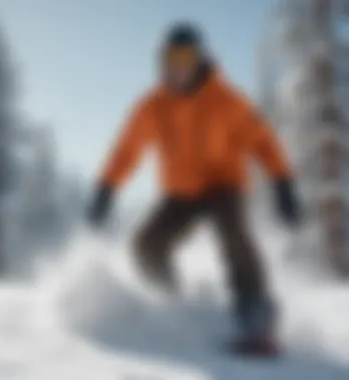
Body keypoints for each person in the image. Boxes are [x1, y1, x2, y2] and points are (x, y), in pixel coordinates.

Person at [87, 23, 300, 356]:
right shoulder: (153, 106)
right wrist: (106, 188)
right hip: (181, 193)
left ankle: (254, 313)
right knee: (146, 245)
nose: (177, 66)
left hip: (224, 184)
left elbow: (263, 142)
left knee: (234, 235)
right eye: (170, 57)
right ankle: (173, 303)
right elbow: (126, 150)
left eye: (185, 57)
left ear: (199, 60)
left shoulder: (227, 101)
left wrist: (282, 182)